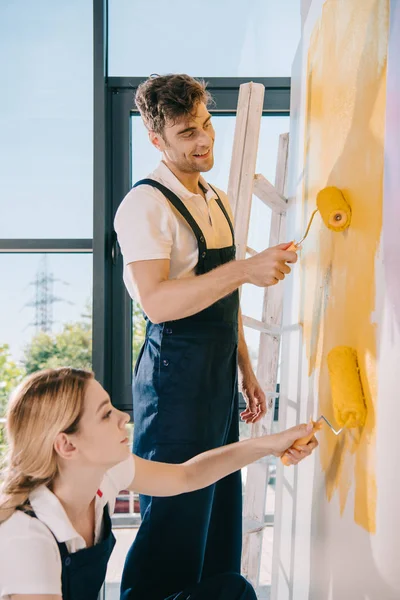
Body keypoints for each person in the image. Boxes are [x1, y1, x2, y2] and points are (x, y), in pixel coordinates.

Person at [114, 73, 300, 599]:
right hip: (173, 381)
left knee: (217, 517)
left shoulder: (215, 198)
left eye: (206, 125)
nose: (203, 142)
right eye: (186, 133)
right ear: (157, 140)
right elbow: (158, 302)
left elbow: (221, 296)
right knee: (174, 524)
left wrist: (245, 367)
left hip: (218, 377)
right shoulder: (145, 206)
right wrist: (245, 270)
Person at [0, 367, 317, 600]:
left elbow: (186, 475)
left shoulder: (105, 473)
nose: (124, 418)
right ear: (67, 446)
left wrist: (271, 445)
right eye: (105, 414)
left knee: (231, 592)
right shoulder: (28, 538)